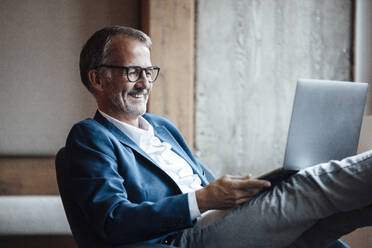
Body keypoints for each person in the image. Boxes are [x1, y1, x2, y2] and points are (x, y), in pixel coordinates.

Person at [59, 26, 372, 248]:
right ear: (98, 79)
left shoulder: (161, 126)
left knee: (336, 213)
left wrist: (243, 193)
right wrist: (201, 200)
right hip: (183, 238)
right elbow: (112, 219)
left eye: (148, 71)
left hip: (222, 221)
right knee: (306, 188)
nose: (145, 83)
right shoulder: (91, 137)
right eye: (132, 72)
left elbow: (207, 188)